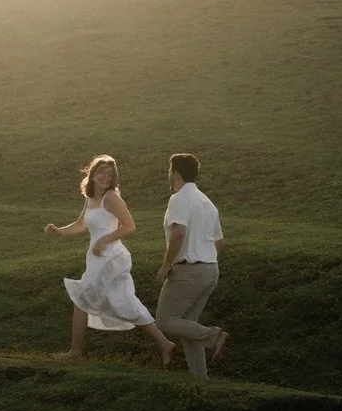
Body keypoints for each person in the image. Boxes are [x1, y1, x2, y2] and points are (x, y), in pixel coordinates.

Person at [44, 155, 176, 367]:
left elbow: (129, 226)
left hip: (111, 257)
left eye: (110, 174)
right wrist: (58, 231)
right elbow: (80, 225)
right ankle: (164, 344)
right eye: (101, 172)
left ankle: (76, 352)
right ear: (92, 174)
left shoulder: (111, 198)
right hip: (98, 258)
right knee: (125, 303)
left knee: (81, 298)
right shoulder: (90, 199)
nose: (105, 177)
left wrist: (104, 240)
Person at [154, 153, 229, 378]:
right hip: (210, 270)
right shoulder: (207, 202)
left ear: (175, 173)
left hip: (188, 271)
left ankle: (214, 336)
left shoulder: (179, 199)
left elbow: (178, 233)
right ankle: (200, 378)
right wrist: (203, 260)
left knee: (164, 320)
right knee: (188, 325)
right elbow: (219, 243)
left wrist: (167, 265)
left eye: (170, 171)